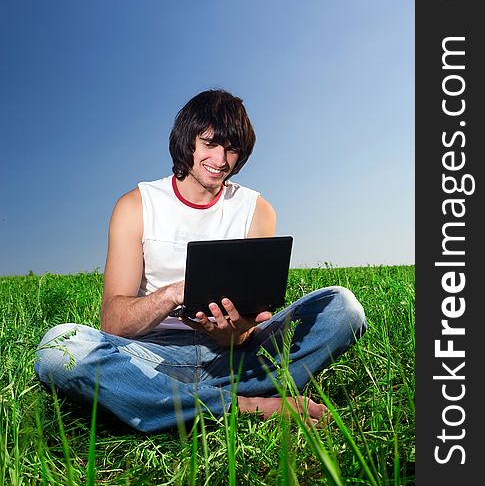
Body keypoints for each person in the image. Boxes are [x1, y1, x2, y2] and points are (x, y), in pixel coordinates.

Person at [35, 89, 367, 433]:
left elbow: (246, 331)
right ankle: (246, 404)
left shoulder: (257, 210)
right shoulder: (136, 205)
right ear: (187, 141)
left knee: (344, 308)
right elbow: (113, 323)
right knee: (60, 347)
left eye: (232, 149)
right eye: (210, 144)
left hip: (231, 357)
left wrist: (232, 335)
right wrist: (174, 294)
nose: (221, 160)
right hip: (151, 357)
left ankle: (161, 400)